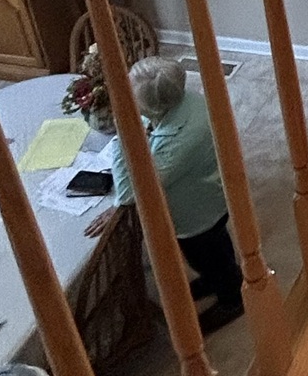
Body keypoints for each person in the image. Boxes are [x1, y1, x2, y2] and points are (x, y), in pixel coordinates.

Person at [91, 55, 243, 333]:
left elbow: (129, 193)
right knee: (213, 252)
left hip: (196, 213)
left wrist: (121, 137)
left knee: (206, 253)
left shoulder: (177, 144)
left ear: (155, 108)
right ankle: (218, 278)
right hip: (207, 197)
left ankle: (232, 299)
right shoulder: (187, 101)